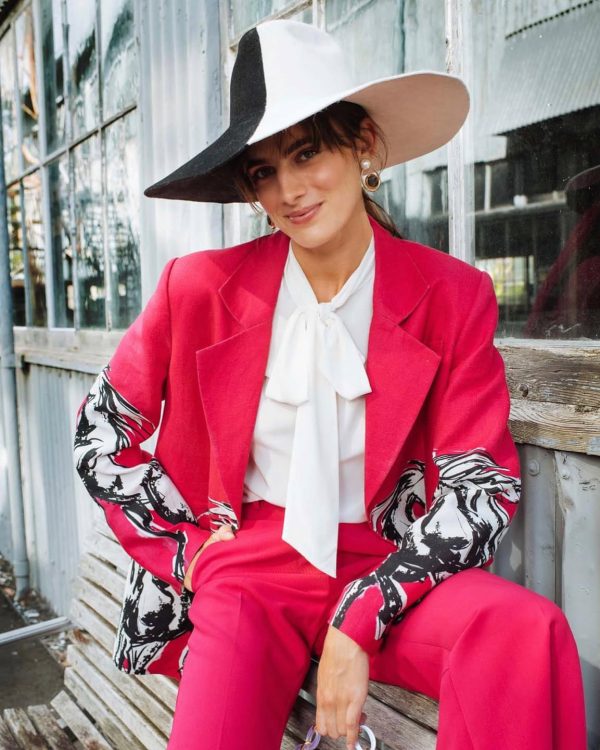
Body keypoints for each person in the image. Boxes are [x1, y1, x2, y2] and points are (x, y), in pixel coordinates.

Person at [73, 19, 587, 750]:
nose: (288, 190)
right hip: (247, 570)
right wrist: (187, 551)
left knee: (524, 631)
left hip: (387, 561)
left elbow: (481, 487)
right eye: (263, 171)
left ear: (363, 144)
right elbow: (99, 435)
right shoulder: (198, 287)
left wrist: (367, 608)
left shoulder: (451, 294)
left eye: (307, 152)